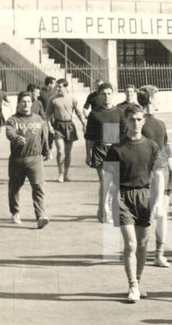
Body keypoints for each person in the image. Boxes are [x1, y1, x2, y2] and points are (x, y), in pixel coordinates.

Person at [102, 105, 160, 303]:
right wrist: (103, 204)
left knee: (143, 244)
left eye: (139, 119)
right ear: (125, 122)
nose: (136, 123)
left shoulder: (151, 146)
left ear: (144, 121)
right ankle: (132, 285)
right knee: (131, 244)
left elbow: (159, 175)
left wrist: (158, 201)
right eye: (132, 120)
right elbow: (107, 178)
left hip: (145, 196)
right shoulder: (116, 148)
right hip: (123, 196)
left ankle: (138, 281)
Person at [137, 85, 172, 268]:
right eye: (157, 97)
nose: (158, 100)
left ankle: (158, 254)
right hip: (146, 175)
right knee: (150, 215)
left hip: (162, 173)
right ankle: (145, 252)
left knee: (159, 214)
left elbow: (166, 150)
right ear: (151, 100)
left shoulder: (160, 123)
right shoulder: (139, 122)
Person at [5, 91, 50, 229]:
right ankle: (15, 212)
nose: (26, 104)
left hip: (35, 158)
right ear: (18, 103)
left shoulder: (38, 119)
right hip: (18, 159)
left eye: (28, 101)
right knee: (14, 188)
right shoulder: (13, 120)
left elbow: (44, 136)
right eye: (23, 102)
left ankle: (41, 216)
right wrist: (16, 138)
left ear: (32, 103)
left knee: (38, 187)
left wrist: (46, 151)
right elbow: (9, 132)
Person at [85, 85, 122, 223]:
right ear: (99, 95)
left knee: (114, 183)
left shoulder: (119, 112)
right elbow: (89, 137)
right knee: (104, 182)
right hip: (100, 149)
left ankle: (107, 208)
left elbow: (125, 133)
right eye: (104, 94)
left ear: (113, 94)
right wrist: (88, 154)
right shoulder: (94, 114)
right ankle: (105, 211)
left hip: (115, 149)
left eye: (109, 94)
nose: (106, 97)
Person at [45, 79, 85, 182]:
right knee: (60, 151)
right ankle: (60, 174)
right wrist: (49, 126)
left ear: (65, 87)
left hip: (69, 126)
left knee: (68, 152)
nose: (57, 89)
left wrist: (84, 123)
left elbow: (79, 112)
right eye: (56, 87)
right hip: (58, 126)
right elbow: (48, 115)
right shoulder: (52, 99)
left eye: (60, 87)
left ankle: (66, 174)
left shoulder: (72, 98)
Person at [83, 81, 111, 166]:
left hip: (106, 121)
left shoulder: (115, 111)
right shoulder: (91, 96)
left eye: (108, 94)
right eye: (98, 85)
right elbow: (85, 107)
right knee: (95, 141)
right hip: (95, 120)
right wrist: (86, 115)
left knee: (109, 143)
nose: (106, 96)